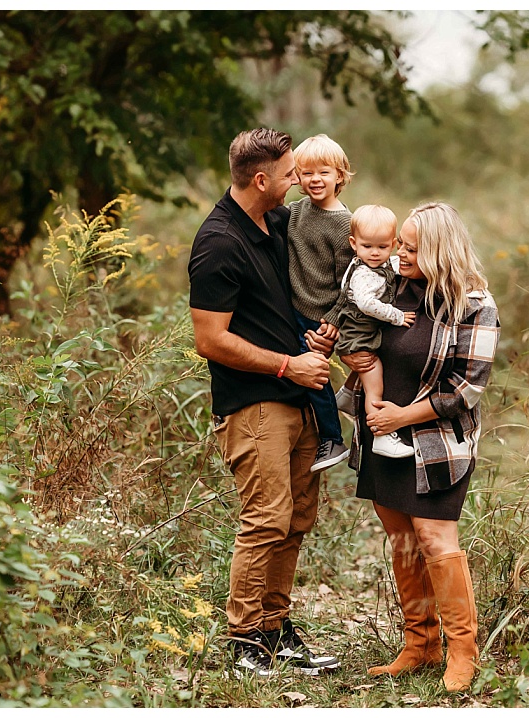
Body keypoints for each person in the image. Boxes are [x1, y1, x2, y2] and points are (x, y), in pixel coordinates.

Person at [187, 128, 340, 678]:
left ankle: (276, 629)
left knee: (296, 519)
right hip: (255, 404)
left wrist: (314, 343)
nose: (296, 180)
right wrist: (285, 364)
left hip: (299, 393)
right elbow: (211, 339)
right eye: (289, 174)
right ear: (261, 179)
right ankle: (245, 638)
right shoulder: (219, 243)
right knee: (265, 519)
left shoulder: (276, 223)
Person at [340, 201, 500, 693]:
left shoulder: (474, 303)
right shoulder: (389, 285)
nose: (399, 253)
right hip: (382, 437)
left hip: (435, 443)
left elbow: (466, 388)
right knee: (402, 537)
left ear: (437, 250)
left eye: (410, 247)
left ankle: (463, 650)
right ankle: (420, 644)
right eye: (399, 244)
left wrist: (401, 417)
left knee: (435, 539)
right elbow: (361, 331)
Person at [286, 134, 355, 472]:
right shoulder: (295, 212)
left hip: (322, 315)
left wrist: (334, 321)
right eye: (307, 173)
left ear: (340, 175)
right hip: (294, 307)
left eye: (324, 172)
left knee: (314, 374)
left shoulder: (344, 224)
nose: (315, 180)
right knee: (296, 374)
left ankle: (334, 439)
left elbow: (351, 281)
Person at [332, 204, 416, 459]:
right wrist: (396, 316)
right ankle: (380, 434)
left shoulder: (378, 264)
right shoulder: (364, 275)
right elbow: (367, 304)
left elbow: (392, 264)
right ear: (354, 244)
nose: (375, 253)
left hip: (362, 334)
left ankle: (346, 397)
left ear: (392, 244)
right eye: (367, 247)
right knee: (374, 381)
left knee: (370, 376)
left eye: (382, 247)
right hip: (359, 337)